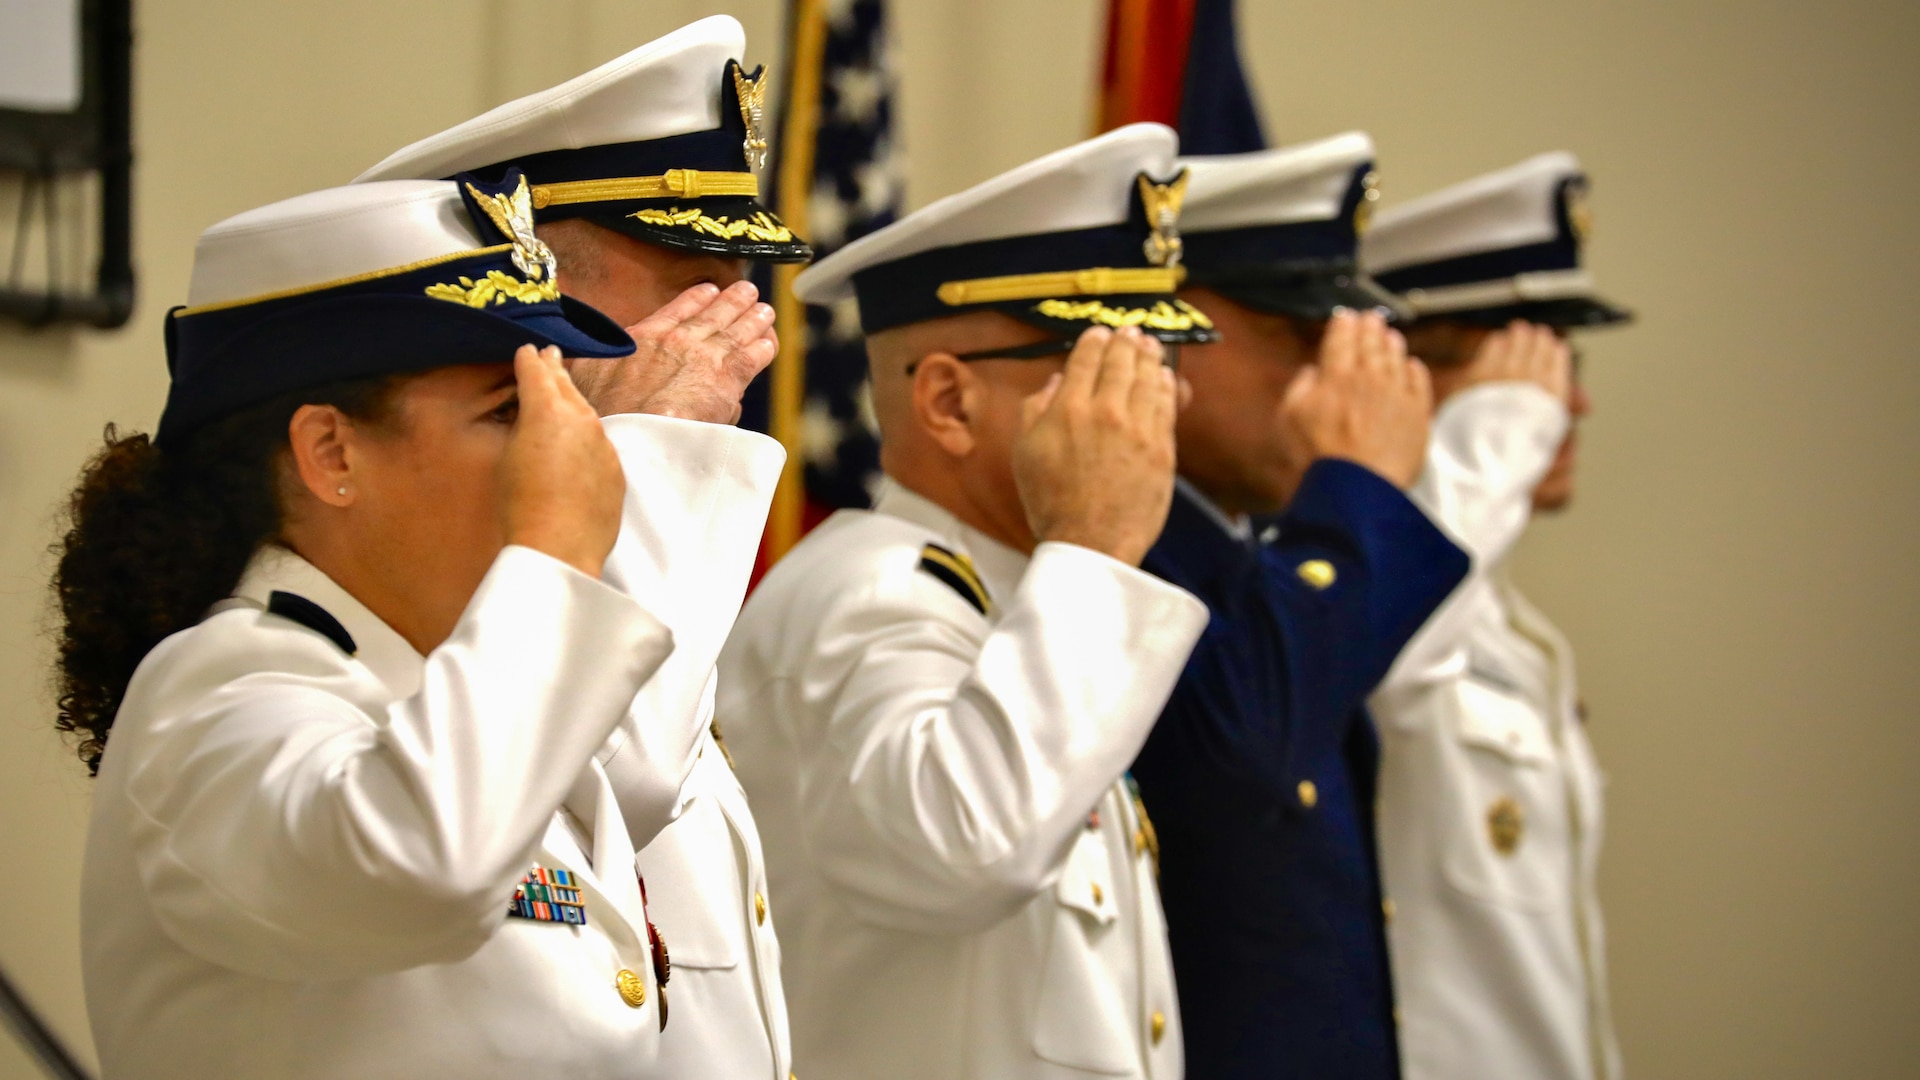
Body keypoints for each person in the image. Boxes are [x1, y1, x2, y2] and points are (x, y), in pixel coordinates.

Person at [56, 173, 745, 1076]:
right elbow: (423, 864)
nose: (566, 446)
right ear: (331, 452)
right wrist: (554, 552)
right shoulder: (217, 693)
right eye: (507, 412)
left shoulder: (455, 686)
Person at [716, 123, 1215, 1080]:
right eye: (1111, 372)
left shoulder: (1021, 598)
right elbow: (965, 850)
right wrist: (1099, 542)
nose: (1162, 413)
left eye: (1163, 370)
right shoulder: (869, 595)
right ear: (948, 402)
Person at [357, 18, 805, 1077]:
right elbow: (629, 765)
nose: (736, 321)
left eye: (742, 275)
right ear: (525, 293)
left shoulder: (658, 544)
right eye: (687, 280)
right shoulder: (433, 591)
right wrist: (651, 452)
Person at [1125, 133, 1472, 1080]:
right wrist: (1356, 483)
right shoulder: (1122, 559)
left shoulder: (1249, 549)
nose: (1341, 382)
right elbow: (1242, 758)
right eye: (1299, 335)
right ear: (1158, 328)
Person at [1360, 151, 1634, 1080]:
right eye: (1529, 374)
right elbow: (1378, 653)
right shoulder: (1368, 604)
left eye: (1563, 372)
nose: (1569, 407)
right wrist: (1489, 442)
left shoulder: (1511, 632)